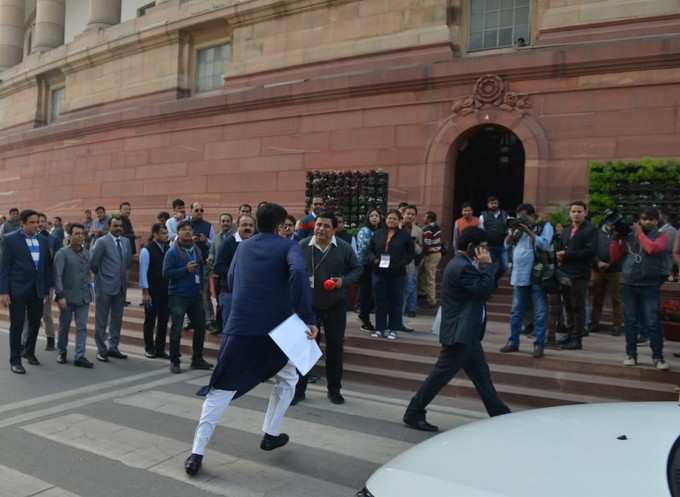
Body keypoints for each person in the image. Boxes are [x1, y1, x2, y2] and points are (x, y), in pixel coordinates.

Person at [184, 203, 318, 477]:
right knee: (289, 378)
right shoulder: (287, 246)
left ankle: (196, 453)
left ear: (256, 222)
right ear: (281, 225)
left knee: (220, 388)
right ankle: (270, 432)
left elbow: (231, 278)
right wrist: (307, 316)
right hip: (278, 330)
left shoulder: (242, 247)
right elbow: (299, 273)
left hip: (241, 326)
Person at [403, 227, 510, 431]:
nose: (485, 252)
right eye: (482, 248)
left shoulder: (465, 264)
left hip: (467, 334)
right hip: (459, 335)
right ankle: (414, 411)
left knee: (482, 377)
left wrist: (485, 268)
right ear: (470, 247)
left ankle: (500, 415)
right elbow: (483, 291)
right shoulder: (462, 266)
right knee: (439, 376)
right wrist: (486, 267)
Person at [295, 211, 362, 405]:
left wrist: (343, 281)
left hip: (335, 305)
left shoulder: (344, 248)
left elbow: (357, 269)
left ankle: (334, 390)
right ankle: (299, 390)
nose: (321, 229)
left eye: (326, 226)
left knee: (335, 349)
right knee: (306, 348)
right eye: (318, 225)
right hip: (309, 307)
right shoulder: (302, 246)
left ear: (334, 229)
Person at [611, 207, 670, 370]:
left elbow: (651, 248)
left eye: (651, 219)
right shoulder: (629, 235)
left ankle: (658, 358)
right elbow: (615, 256)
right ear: (639, 220)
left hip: (649, 285)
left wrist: (639, 234)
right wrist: (616, 239)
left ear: (657, 220)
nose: (647, 222)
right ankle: (631, 355)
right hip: (628, 283)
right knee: (630, 321)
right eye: (644, 219)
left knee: (652, 322)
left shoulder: (662, 236)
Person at [0, 209, 53, 374]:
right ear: (22, 224)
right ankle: (15, 360)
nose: (36, 225)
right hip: (17, 290)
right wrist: (3, 292)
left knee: (35, 323)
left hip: (37, 290)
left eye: (38, 222)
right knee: (16, 325)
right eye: (32, 222)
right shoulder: (10, 240)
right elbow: (4, 267)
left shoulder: (44, 240)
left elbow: (47, 267)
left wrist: (47, 290)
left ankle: (29, 352)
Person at [500, 204, 554, 359]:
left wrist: (528, 231)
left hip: (537, 274)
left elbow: (544, 244)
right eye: (519, 217)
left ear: (532, 215)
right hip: (519, 274)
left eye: (523, 217)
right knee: (516, 310)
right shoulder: (517, 228)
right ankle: (513, 342)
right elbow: (506, 245)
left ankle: (539, 344)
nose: (521, 220)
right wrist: (511, 233)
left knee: (540, 311)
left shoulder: (545, 226)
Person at [163, 220, 214, 374]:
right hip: (178, 296)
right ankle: (175, 361)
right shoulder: (172, 252)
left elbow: (199, 269)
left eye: (189, 230)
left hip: (195, 295)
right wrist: (185, 269)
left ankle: (197, 359)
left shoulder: (196, 249)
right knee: (177, 329)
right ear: (177, 233)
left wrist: (206, 270)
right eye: (183, 230)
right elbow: (166, 274)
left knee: (200, 326)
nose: (187, 232)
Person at [367, 209, 415, 340]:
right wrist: (374, 259)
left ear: (399, 221)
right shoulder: (377, 234)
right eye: (389, 218)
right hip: (379, 272)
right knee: (380, 301)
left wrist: (401, 263)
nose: (391, 221)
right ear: (385, 219)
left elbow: (411, 253)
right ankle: (380, 329)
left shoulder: (404, 235)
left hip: (397, 273)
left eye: (394, 219)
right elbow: (369, 250)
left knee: (396, 301)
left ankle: (393, 329)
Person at [90, 215, 132, 362]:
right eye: (115, 226)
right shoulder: (102, 242)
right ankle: (101, 349)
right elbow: (94, 263)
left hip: (120, 287)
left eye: (120, 226)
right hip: (104, 287)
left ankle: (113, 347)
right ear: (109, 227)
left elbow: (127, 264)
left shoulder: (126, 242)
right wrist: (102, 279)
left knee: (117, 319)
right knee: (101, 320)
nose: (119, 228)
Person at [556, 201, 596, 350]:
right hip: (565, 272)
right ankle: (569, 334)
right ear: (569, 213)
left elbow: (590, 252)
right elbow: (561, 246)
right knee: (568, 305)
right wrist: (559, 255)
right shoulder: (566, 229)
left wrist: (567, 254)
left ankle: (577, 339)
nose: (576, 214)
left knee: (578, 307)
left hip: (580, 274)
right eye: (573, 211)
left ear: (585, 213)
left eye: (579, 211)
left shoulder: (590, 230)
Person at [54, 223, 93, 368]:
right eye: (77, 233)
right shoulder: (62, 253)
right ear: (69, 236)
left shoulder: (87, 253)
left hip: (83, 297)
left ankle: (80, 356)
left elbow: (89, 273)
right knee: (64, 326)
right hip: (67, 297)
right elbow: (57, 276)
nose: (80, 236)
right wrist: (60, 295)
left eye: (82, 233)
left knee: (82, 327)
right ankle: (62, 351)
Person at [213, 214, 256, 331]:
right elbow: (218, 267)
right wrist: (238, 272)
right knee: (229, 329)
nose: (248, 228)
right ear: (237, 226)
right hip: (230, 294)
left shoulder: (256, 243)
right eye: (244, 225)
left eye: (251, 225)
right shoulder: (228, 243)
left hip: (250, 294)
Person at [139, 223, 170, 359]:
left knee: (163, 320)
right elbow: (143, 272)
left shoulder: (168, 248)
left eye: (166, 233)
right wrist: (145, 292)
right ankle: (149, 347)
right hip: (152, 291)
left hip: (166, 291)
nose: (165, 235)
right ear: (155, 234)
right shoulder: (147, 250)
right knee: (150, 320)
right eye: (162, 233)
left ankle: (160, 348)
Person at [590, 219, 623, 337]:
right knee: (597, 297)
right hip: (598, 269)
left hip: (615, 270)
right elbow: (591, 249)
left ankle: (617, 325)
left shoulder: (619, 235)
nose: (612, 225)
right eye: (610, 223)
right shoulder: (597, 233)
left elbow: (623, 252)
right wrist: (598, 262)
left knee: (616, 299)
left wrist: (611, 263)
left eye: (613, 223)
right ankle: (594, 323)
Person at [190, 202, 216, 331]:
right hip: (189, 264)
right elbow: (176, 241)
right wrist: (191, 239)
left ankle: (209, 320)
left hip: (204, 264)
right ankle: (190, 320)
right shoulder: (185, 225)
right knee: (190, 292)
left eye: (201, 210)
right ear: (191, 211)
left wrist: (205, 240)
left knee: (204, 292)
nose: (199, 212)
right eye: (196, 210)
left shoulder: (208, 226)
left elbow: (214, 244)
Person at [356, 209, 382, 332]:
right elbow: (364, 249)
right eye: (372, 215)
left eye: (376, 215)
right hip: (366, 266)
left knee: (374, 294)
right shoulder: (364, 231)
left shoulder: (381, 230)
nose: (374, 218)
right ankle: (364, 317)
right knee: (366, 293)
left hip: (378, 266)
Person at [479, 196, 508, 282]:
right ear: (488, 205)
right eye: (491, 203)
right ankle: (490, 286)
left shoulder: (505, 214)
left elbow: (509, 227)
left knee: (505, 267)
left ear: (498, 204)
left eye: (495, 203)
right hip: (489, 247)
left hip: (502, 246)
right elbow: (481, 232)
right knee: (489, 268)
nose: (493, 205)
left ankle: (495, 279)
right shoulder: (483, 216)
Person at [401, 205, 423, 322]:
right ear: (403, 214)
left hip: (410, 263)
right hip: (397, 262)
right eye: (408, 213)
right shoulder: (397, 227)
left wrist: (413, 244)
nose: (410, 216)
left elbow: (420, 249)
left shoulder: (418, 231)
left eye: (412, 214)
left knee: (410, 286)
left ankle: (410, 309)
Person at [419, 211, 443, 307]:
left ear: (429, 219)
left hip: (431, 254)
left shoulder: (429, 229)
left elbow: (427, 243)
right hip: (436, 253)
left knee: (429, 277)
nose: (423, 219)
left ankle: (431, 300)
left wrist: (422, 252)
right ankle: (425, 295)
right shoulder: (437, 227)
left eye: (425, 217)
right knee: (426, 274)